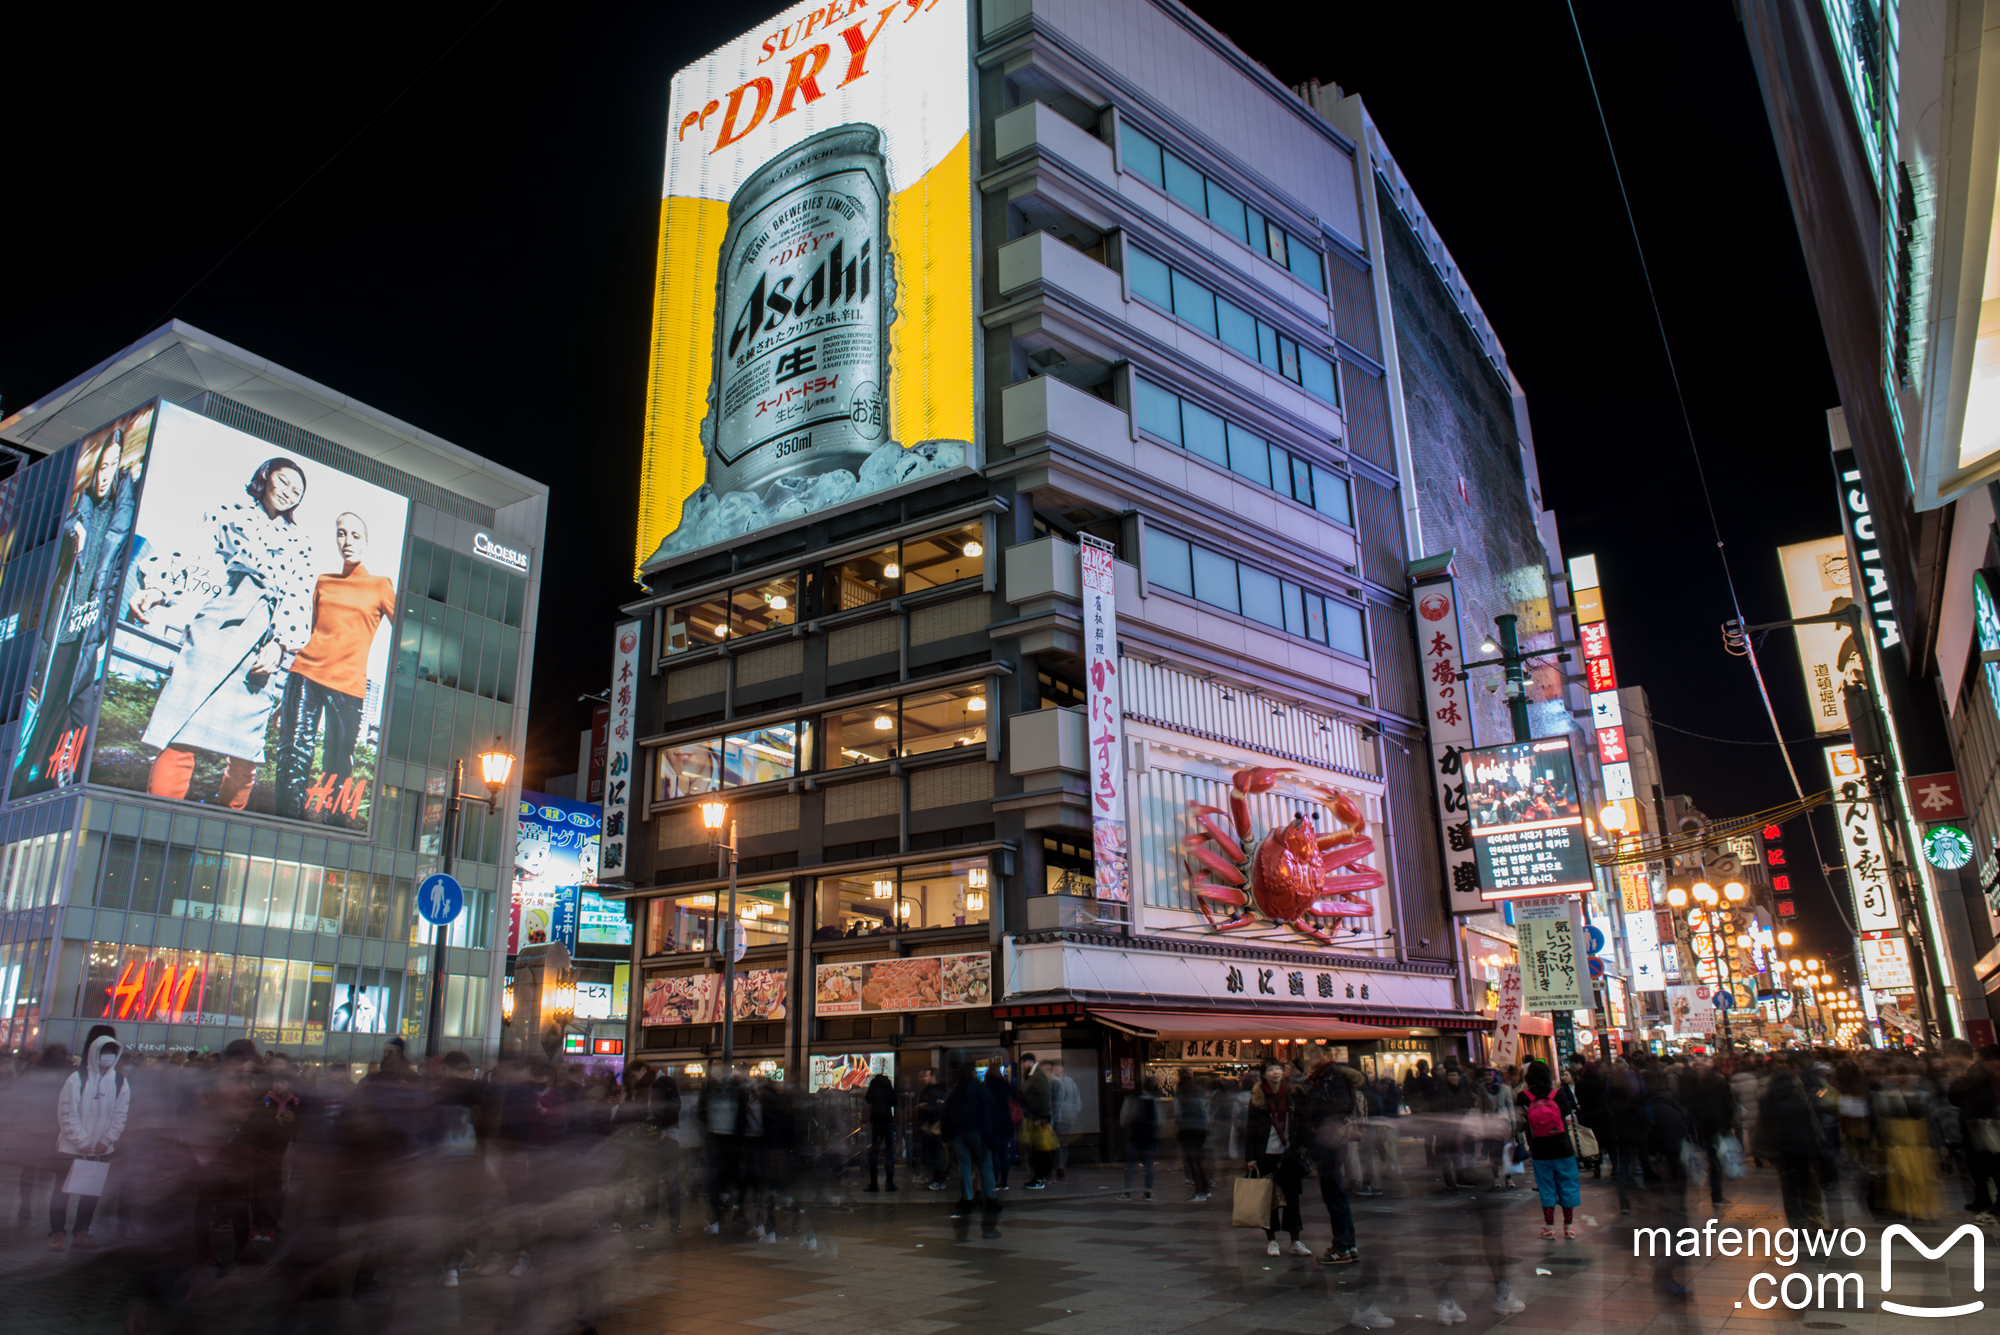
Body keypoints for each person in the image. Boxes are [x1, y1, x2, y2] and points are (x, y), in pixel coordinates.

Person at [130, 456, 318, 808]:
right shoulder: (228, 512)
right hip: (218, 619)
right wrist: (157, 589)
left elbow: (299, 594)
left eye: (298, 490)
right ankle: (155, 816)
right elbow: (191, 552)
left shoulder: (302, 542)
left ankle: (227, 826)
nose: (289, 493)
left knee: (246, 744)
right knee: (182, 728)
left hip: (265, 632)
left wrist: (280, 644)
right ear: (264, 477)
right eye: (284, 481)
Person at [19, 428, 136, 787]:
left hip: (89, 632)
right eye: (102, 466)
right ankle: (29, 777)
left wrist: (103, 627)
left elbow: (117, 578)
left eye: (112, 467)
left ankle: (61, 778)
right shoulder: (80, 510)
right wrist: (75, 533)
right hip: (63, 629)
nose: (104, 475)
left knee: (80, 709)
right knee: (47, 705)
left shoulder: (124, 518)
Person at [274, 510, 397, 822]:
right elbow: (315, 631)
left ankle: (333, 832)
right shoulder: (323, 582)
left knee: (338, 764)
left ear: (366, 542)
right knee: (293, 752)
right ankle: (286, 823)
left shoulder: (381, 585)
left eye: (355, 535)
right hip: (305, 674)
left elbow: (409, 633)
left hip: (349, 685)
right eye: (341, 533)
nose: (347, 541)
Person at [52, 1034, 130, 1250]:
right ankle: (57, 1233)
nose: (109, 1056)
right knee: (62, 1192)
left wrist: (107, 1140)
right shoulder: (76, 1078)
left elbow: (121, 1114)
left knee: (90, 1193)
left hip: (100, 1150)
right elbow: (67, 1112)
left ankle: (81, 1232)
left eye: (113, 1052)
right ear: (95, 1052)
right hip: (71, 1147)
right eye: (105, 1051)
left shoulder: (120, 1081)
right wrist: (81, 1140)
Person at [1245, 1061, 1311, 1257]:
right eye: (1271, 1070)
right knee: (1269, 1200)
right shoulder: (1257, 1098)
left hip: (1289, 1154)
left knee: (1292, 1199)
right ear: (1264, 1075)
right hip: (1265, 1155)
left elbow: (1302, 1121)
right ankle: (1271, 1240)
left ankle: (1295, 1240)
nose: (1276, 1073)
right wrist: (1250, 1157)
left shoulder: (1293, 1094)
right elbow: (1250, 1130)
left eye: (1278, 1069)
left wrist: (1303, 1145)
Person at [1514, 1060, 1580, 1240]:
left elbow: (1519, 1124)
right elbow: (1568, 1115)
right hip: (1563, 1147)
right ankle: (1569, 1227)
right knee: (1567, 1185)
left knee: (1546, 1187)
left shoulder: (1523, 1096)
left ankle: (1550, 1227)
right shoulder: (1557, 1094)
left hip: (1539, 1149)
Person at [942, 1059, 1000, 1239]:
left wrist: (946, 1136)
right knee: (984, 1166)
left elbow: (946, 1114)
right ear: (973, 1073)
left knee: (964, 1167)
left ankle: (966, 1199)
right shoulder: (980, 1090)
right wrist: (990, 1136)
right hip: (978, 1134)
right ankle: (990, 1199)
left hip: (959, 1135)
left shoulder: (954, 1092)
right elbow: (989, 1112)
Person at [1119, 1074, 1163, 1201]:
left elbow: (1124, 1119)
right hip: (1149, 1137)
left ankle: (1127, 1192)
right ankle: (1148, 1192)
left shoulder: (1131, 1098)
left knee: (1130, 1165)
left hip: (1134, 1135)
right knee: (1148, 1165)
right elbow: (1159, 1120)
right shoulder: (1153, 1100)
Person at [1020, 1053, 1055, 1189]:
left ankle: (1039, 1178)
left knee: (1040, 1149)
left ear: (1030, 1062)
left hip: (1039, 1118)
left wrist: (1040, 1116)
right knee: (1040, 1148)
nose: (1022, 1066)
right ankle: (1042, 1175)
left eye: (1023, 1063)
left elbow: (1044, 1095)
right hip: (1036, 1117)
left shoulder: (1037, 1075)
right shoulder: (1032, 1075)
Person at [1176, 1073, 1212, 1201]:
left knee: (1192, 1161)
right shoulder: (1200, 1090)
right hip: (1201, 1128)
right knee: (1197, 1160)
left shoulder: (1181, 1092)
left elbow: (1177, 1112)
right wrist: (1206, 1125)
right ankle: (1205, 1188)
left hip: (1188, 1129)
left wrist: (1180, 1125)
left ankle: (1200, 1191)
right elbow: (1206, 1109)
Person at [864, 1071, 898, 1192]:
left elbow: (868, 1099)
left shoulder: (874, 1084)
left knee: (874, 1153)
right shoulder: (888, 1084)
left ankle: (874, 1183)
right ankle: (889, 1183)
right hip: (887, 1121)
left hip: (876, 1122)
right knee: (889, 1153)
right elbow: (894, 1101)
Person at [915, 1068, 948, 1189]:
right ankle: (935, 1178)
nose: (925, 1078)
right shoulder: (927, 1090)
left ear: (934, 1076)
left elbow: (939, 1109)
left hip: (935, 1127)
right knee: (932, 1154)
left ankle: (939, 1180)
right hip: (929, 1127)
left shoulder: (938, 1091)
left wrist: (923, 1107)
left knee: (937, 1154)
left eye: (927, 1075)